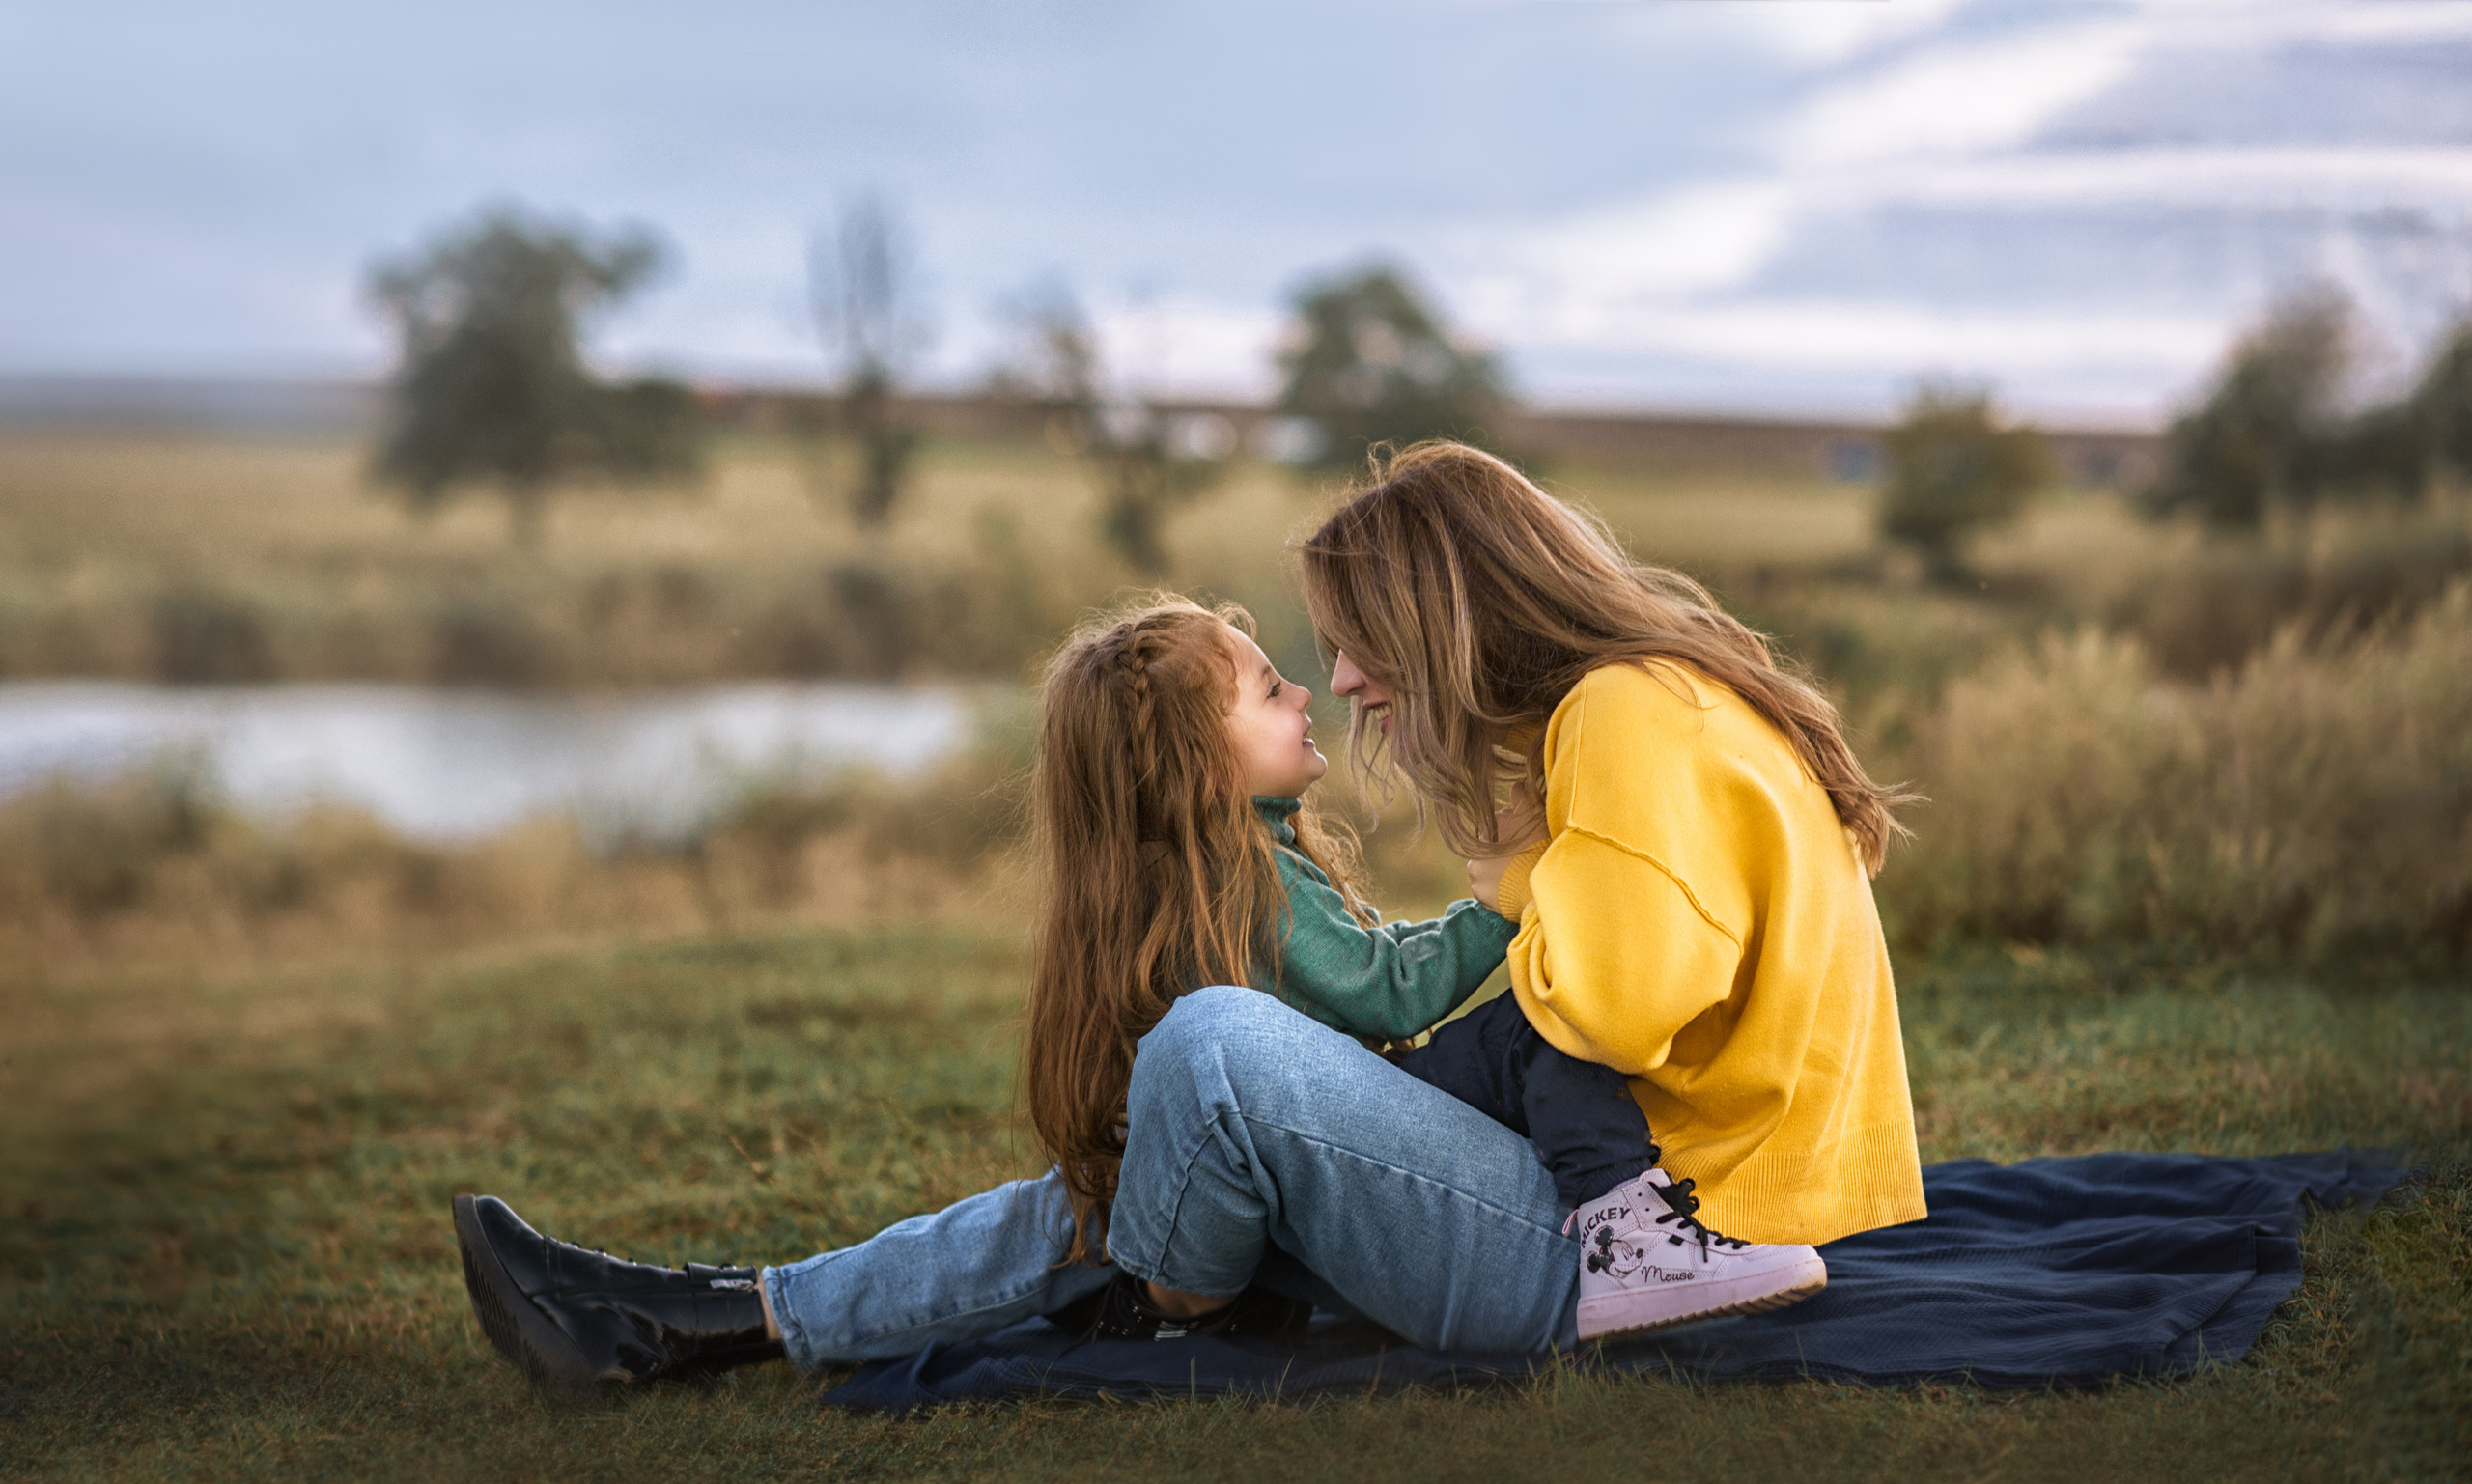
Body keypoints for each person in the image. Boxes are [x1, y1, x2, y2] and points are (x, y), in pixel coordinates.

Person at [453, 441, 1924, 1392]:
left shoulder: (1619, 720)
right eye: (1313, 664)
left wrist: (1529, 875)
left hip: (1626, 1236)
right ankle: (716, 1315)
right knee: (1171, 1117)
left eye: (1352, 648)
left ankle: (1138, 1290)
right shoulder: (1650, 705)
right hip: (1650, 1188)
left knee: (1210, 1048)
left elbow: (1604, 1008)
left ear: (1440, 615)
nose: (1341, 683)